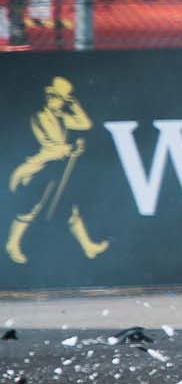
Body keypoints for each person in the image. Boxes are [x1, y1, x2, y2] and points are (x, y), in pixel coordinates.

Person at [7, 76, 105, 264]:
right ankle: (12, 244)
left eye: (60, 98)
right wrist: (70, 148)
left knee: (70, 208)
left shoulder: (62, 118)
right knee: (30, 208)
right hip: (38, 169)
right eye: (53, 96)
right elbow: (51, 147)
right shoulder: (40, 117)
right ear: (47, 96)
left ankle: (88, 247)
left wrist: (74, 104)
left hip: (56, 170)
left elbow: (86, 124)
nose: (55, 101)